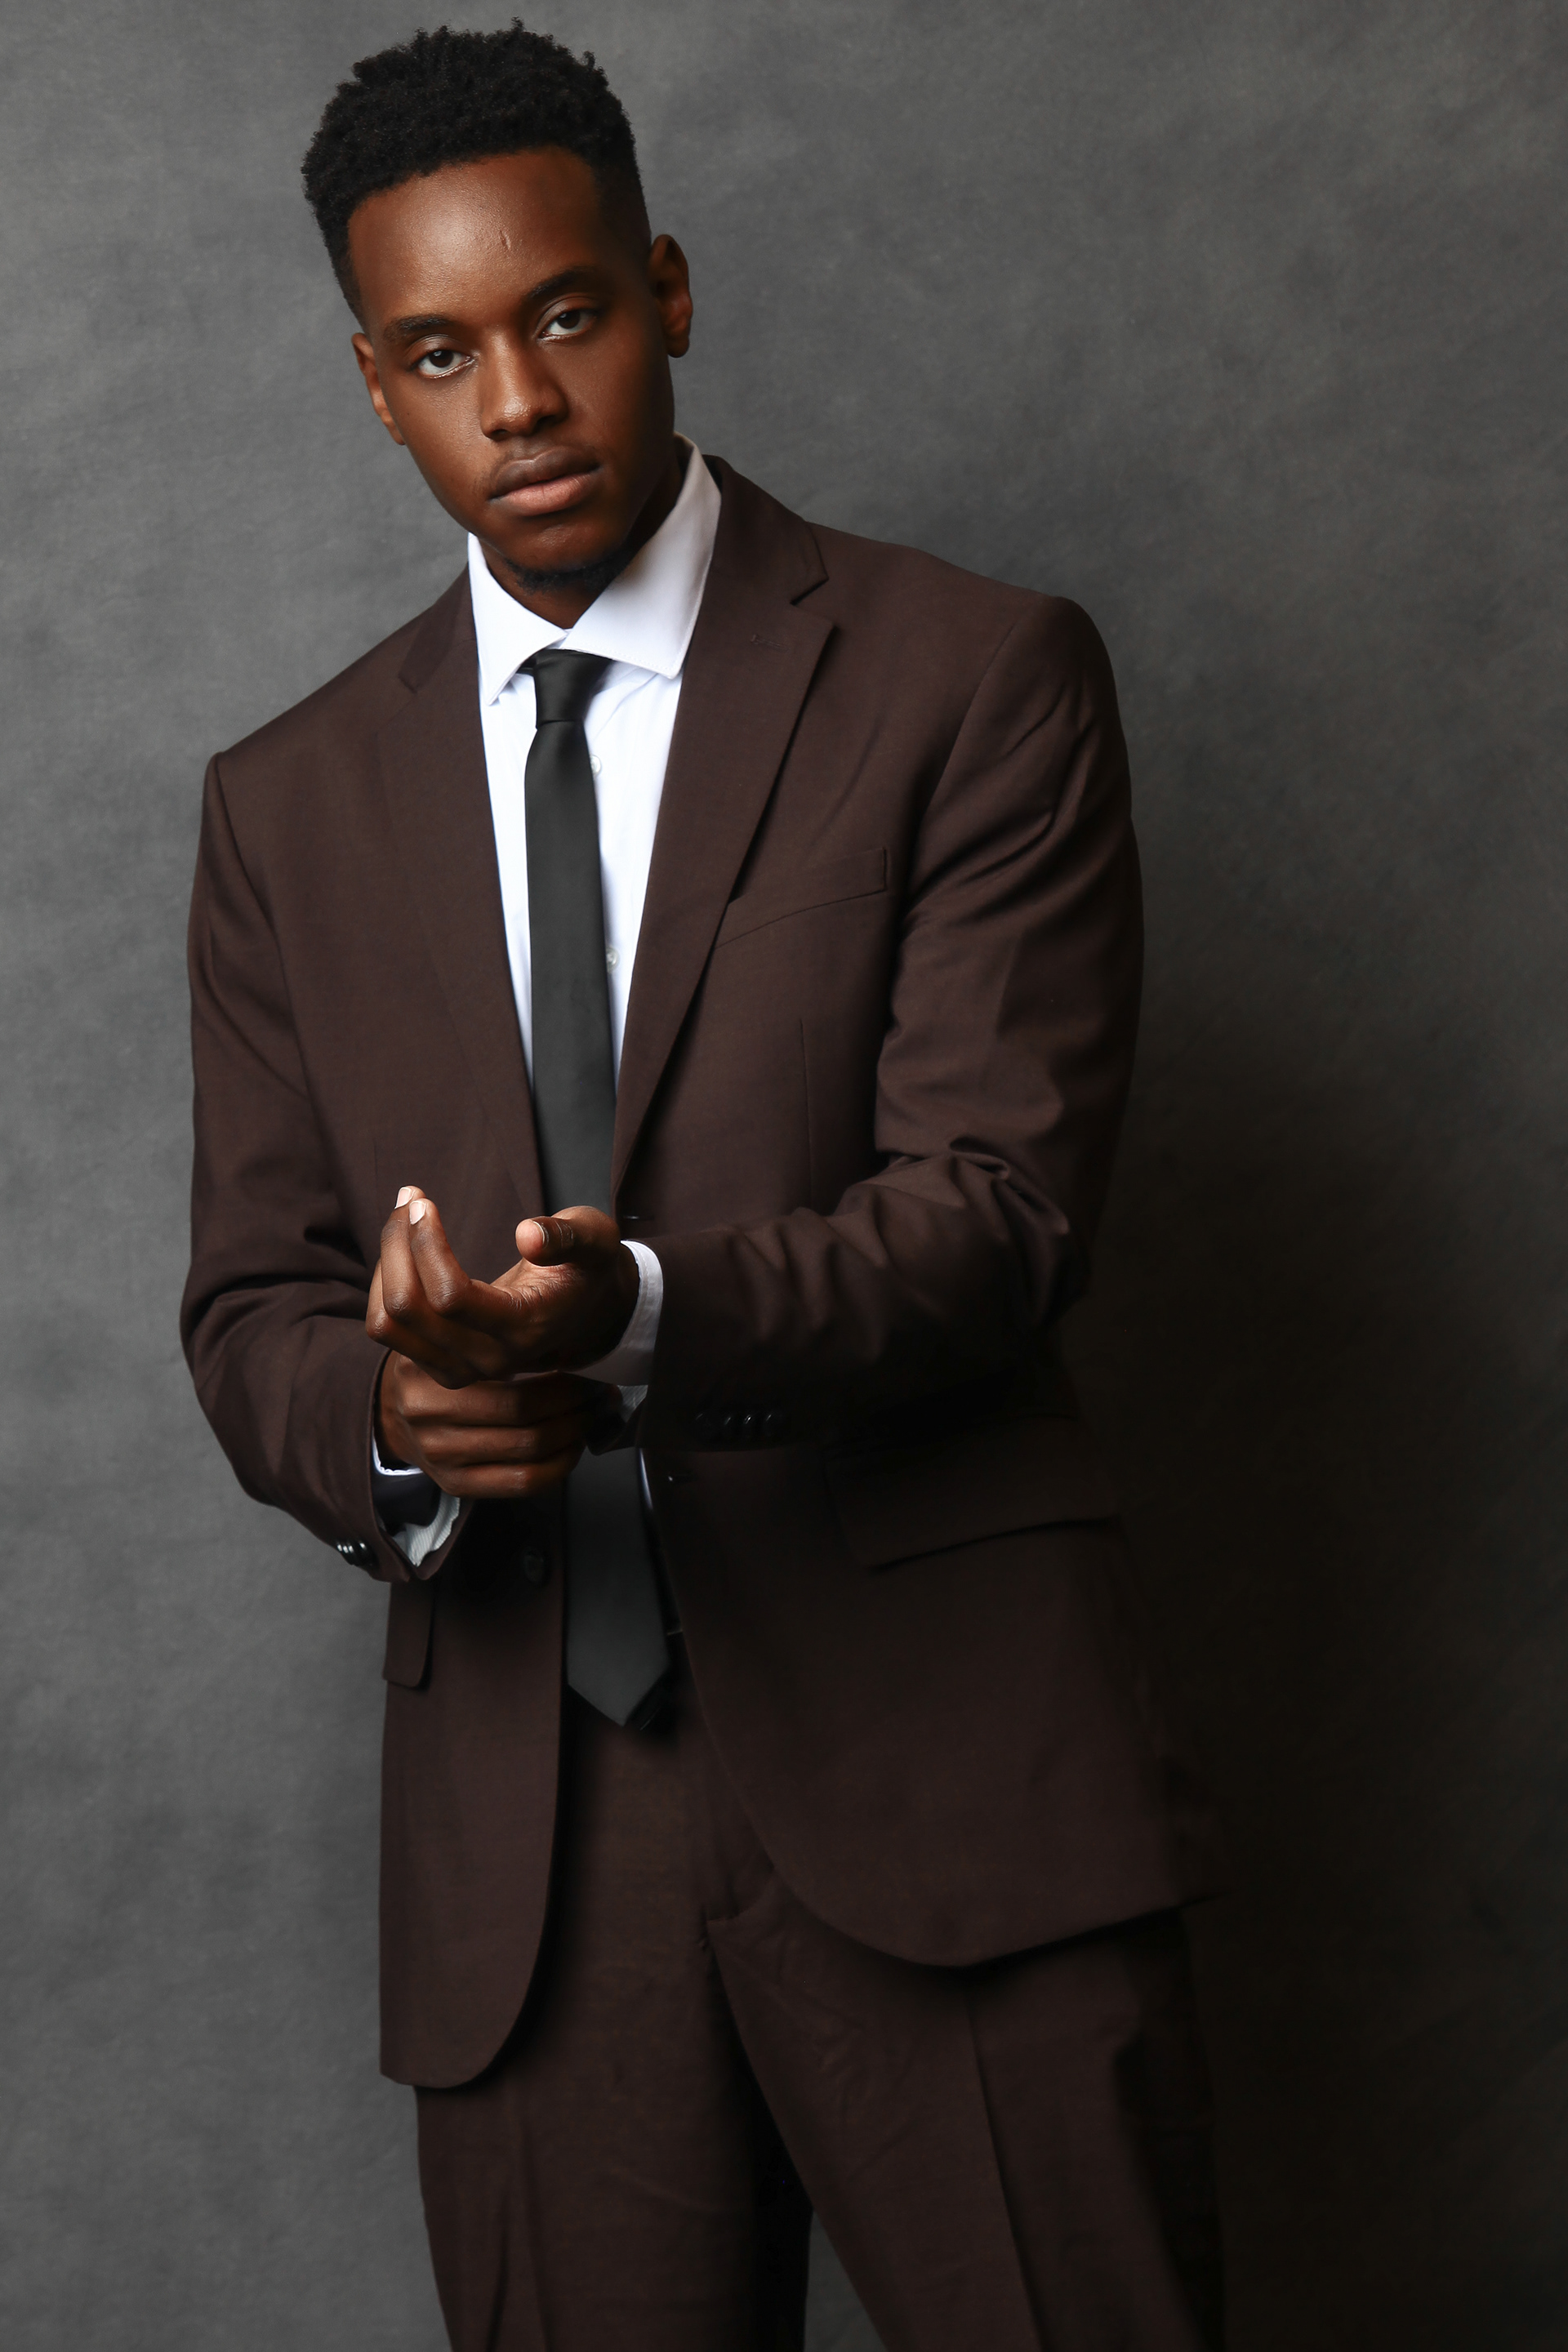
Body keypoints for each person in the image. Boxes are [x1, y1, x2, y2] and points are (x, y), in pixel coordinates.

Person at [180, 24, 1227, 2350]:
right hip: (533, 1850)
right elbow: (252, 1304)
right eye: (439, 354)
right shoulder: (286, 806)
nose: (517, 403)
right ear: (374, 388)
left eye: (564, 314)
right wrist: (394, 1420)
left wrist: (631, 1316)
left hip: (946, 1770)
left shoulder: (972, 679)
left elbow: (1002, 1208)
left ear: (664, 289)